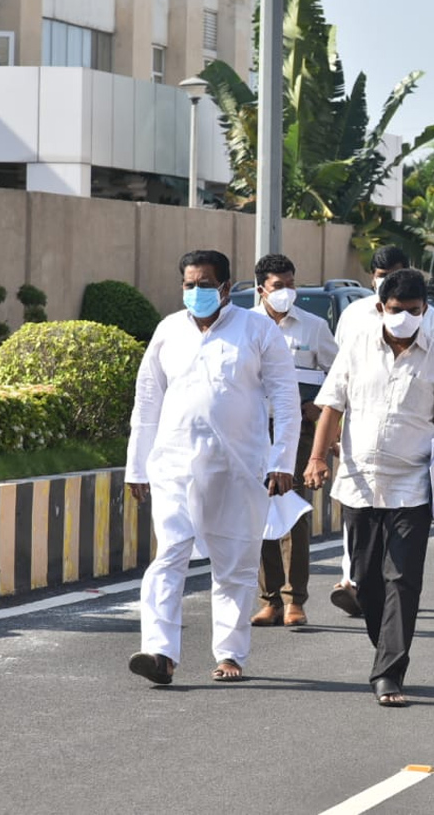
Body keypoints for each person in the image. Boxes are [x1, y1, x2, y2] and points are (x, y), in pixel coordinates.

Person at [125, 250, 299, 685]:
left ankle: (230, 654)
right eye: (189, 284)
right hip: (173, 467)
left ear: (225, 287)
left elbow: (285, 398)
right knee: (168, 557)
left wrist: (282, 461)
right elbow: (147, 402)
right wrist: (137, 466)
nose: (196, 292)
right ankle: (160, 653)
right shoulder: (168, 331)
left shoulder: (257, 330)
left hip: (239, 470)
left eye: (205, 284)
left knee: (234, 566)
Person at [304, 269, 434, 705]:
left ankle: (390, 670)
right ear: (381, 308)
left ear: (425, 310)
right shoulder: (356, 347)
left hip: (412, 484)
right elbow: (331, 407)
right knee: (367, 581)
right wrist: (317, 458)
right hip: (358, 483)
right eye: (397, 311)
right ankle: (386, 650)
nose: (405, 319)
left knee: (403, 578)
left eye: (414, 311)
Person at [331, 245, 434, 616]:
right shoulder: (354, 316)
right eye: (382, 275)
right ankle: (353, 581)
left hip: (410, 453)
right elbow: (339, 383)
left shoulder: (429, 321)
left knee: (399, 558)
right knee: (358, 525)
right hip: (362, 443)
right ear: (374, 279)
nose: (402, 315)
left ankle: (382, 591)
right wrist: (332, 439)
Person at [249, 253, 338, 628]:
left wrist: (316, 408)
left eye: (290, 284)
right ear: (260, 290)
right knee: (259, 513)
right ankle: (268, 599)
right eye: (277, 286)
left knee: (294, 514)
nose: (286, 292)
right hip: (254, 431)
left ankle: (294, 598)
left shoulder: (314, 327)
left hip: (298, 433)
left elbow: (339, 376)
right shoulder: (245, 326)